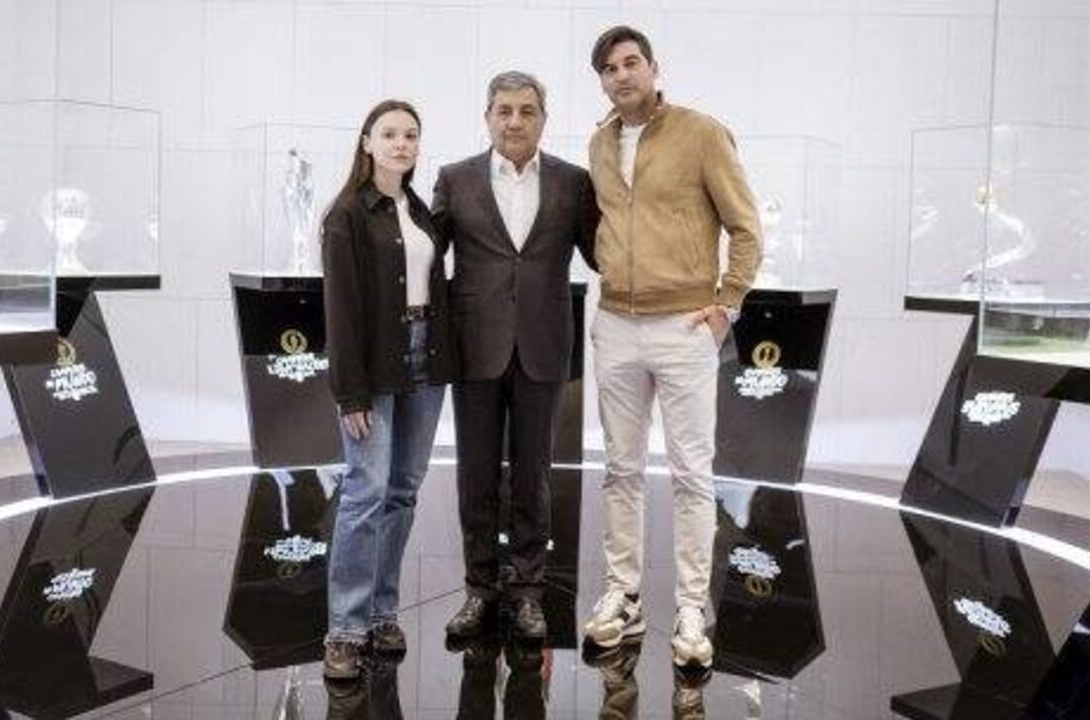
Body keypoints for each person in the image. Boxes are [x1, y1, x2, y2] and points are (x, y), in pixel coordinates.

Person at [581, 25, 762, 667]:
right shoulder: (600, 143)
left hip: (685, 324)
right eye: (609, 69)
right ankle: (623, 595)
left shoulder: (701, 132)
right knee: (620, 470)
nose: (621, 75)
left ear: (654, 68)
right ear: (602, 81)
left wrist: (727, 303)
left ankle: (690, 608)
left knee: (690, 473)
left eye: (631, 63)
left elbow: (746, 227)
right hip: (615, 323)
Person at [432, 71, 598, 643]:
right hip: (473, 348)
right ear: (487, 117)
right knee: (475, 476)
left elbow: (604, 254)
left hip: (543, 346)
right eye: (503, 110)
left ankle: (528, 591)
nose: (514, 121)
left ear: (543, 119)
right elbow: (425, 256)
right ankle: (479, 589)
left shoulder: (574, 182)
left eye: (527, 111)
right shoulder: (455, 179)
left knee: (534, 476)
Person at [321, 99, 453, 679]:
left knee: (402, 490)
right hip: (373, 368)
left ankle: (381, 613)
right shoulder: (347, 214)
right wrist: (349, 393)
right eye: (390, 134)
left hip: (425, 360)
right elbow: (341, 310)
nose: (401, 144)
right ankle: (345, 629)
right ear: (367, 142)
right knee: (364, 491)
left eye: (411, 135)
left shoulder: (419, 210)